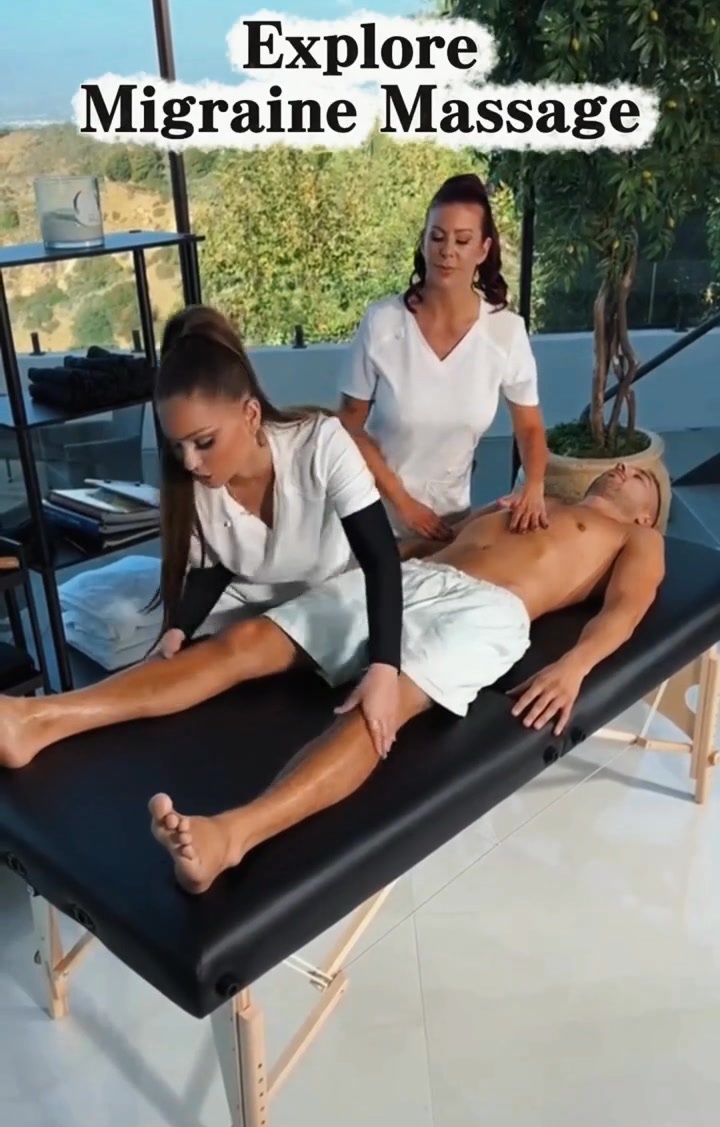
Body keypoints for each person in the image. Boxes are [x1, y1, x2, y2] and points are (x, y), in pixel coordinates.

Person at [0, 462, 663, 895]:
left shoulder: (635, 538)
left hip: (486, 612)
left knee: (376, 710)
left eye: (642, 479)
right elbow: (427, 544)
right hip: (411, 578)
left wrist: (573, 666)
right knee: (243, 642)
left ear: (645, 515)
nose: (626, 469)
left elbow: (626, 608)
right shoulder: (526, 500)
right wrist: (355, 572)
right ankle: (38, 719)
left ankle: (231, 836)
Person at [144, 303, 404, 755]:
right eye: (177, 447)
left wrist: (386, 669)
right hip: (252, 612)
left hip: (328, 600)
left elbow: (380, 559)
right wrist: (177, 628)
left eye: (203, 442)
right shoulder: (195, 484)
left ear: (250, 415)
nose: (190, 461)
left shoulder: (322, 444)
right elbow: (217, 563)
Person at [338, 172, 549, 541]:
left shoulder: (506, 332)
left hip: (449, 523)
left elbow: (529, 427)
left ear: (483, 250)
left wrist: (534, 485)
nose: (447, 251)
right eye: (436, 237)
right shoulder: (383, 322)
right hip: (370, 513)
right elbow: (347, 426)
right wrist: (403, 503)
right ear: (423, 243)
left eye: (462, 240)